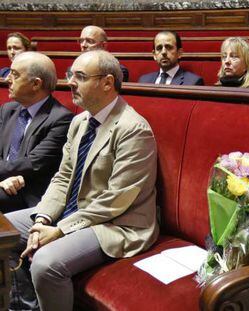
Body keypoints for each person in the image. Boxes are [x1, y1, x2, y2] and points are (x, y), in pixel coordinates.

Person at [6, 50, 159, 311]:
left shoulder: (133, 129)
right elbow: (63, 177)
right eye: (69, 75)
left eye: (80, 76)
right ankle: (26, 305)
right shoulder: (80, 122)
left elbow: (116, 199)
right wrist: (42, 219)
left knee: (46, 263)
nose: (70, 82)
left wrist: (59, 229)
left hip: (117, 224)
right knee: (4, 230)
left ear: (107, 83)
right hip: (74, 211)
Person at [0, 51, 73, 214]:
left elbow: (33, 164)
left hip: (29, 192)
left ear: (36, 84)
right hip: (4, 184)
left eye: (15, 74)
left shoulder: (61, 119)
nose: (7, 79)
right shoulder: (8, 110)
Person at [138, 30, 204, 85]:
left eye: (169, 47)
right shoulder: (144, 80)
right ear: (154, 55)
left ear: (179, 53)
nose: (163, 52)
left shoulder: (193, 82)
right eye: (159, 48)